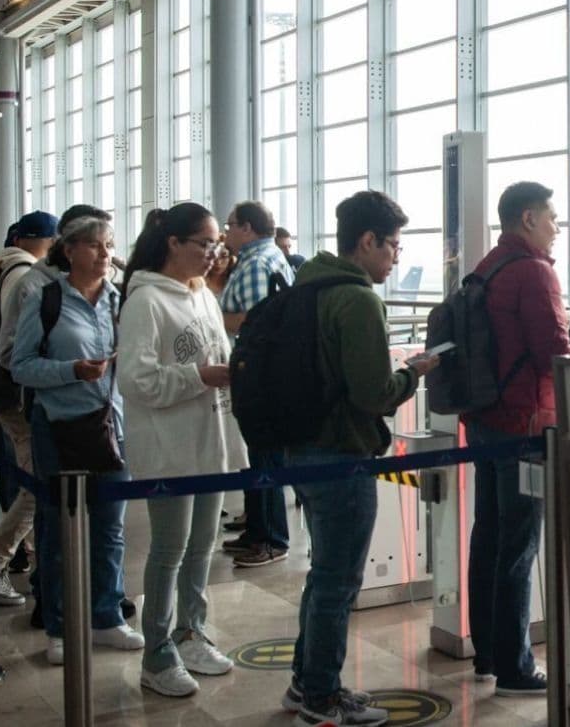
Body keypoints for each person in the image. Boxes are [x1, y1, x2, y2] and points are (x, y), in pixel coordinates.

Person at [283, 190, 438, 727]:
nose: (396, 256)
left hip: (299, 446)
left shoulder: (306, 286)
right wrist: (414, 373)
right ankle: (321, 695)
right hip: (340, 451)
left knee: (322, 574)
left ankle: (306, 680)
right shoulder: (358, 300)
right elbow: (373, 391)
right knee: (338, 580)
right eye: (392, 245)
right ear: (367, 240)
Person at [115, 203, 236, 698]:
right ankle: (157, 650)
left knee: (203, 544)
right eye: (204, 244)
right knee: (169, 548)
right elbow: (135, 379)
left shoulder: (203, 295)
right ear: (173, 244)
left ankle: (191, 630)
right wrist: (198, 377)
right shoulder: (145, 300)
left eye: (216, 245)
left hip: (210, 438)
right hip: (168, 444)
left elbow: (217, 355)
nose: (213, 255)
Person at [9, 214, 138, 667]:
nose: (106, 254)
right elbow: (20, 365)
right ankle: (59, 626)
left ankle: (106, 615)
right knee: (61, 529)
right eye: (96, 246)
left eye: (109, 245)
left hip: (111, 425)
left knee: (110, 528)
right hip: (59, 425)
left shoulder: (118, 300)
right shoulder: (45, 299)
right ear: (70, 250)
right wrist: (71, 371)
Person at [463, 181, 570, 696]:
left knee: (488, 535)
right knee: (520, 545)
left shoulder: (489, 264)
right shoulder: (533, 271)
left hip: (485, 417)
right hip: (525, 424)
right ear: (528, 218)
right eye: (552, 218)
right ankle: (514, 667)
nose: (556, 228)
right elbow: (554, 347)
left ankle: (486, 652)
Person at [0, 210, 59, 607]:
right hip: (21, 395)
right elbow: (11, 349)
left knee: (35, 482)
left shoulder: (5, 270)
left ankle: (36, 562)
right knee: (39, 485)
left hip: (13, 394)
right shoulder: (24, 275)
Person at [219, 201, 295, 569]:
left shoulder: (255, 264)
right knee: (259, 455)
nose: (226, 232)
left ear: (247, 228)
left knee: (264, 454)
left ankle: (271, 538)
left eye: (230, 225)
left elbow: (253, 322)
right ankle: (258, 531)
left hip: (258, 375)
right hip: (265, 372)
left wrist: (215, 316)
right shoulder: (267, 258)